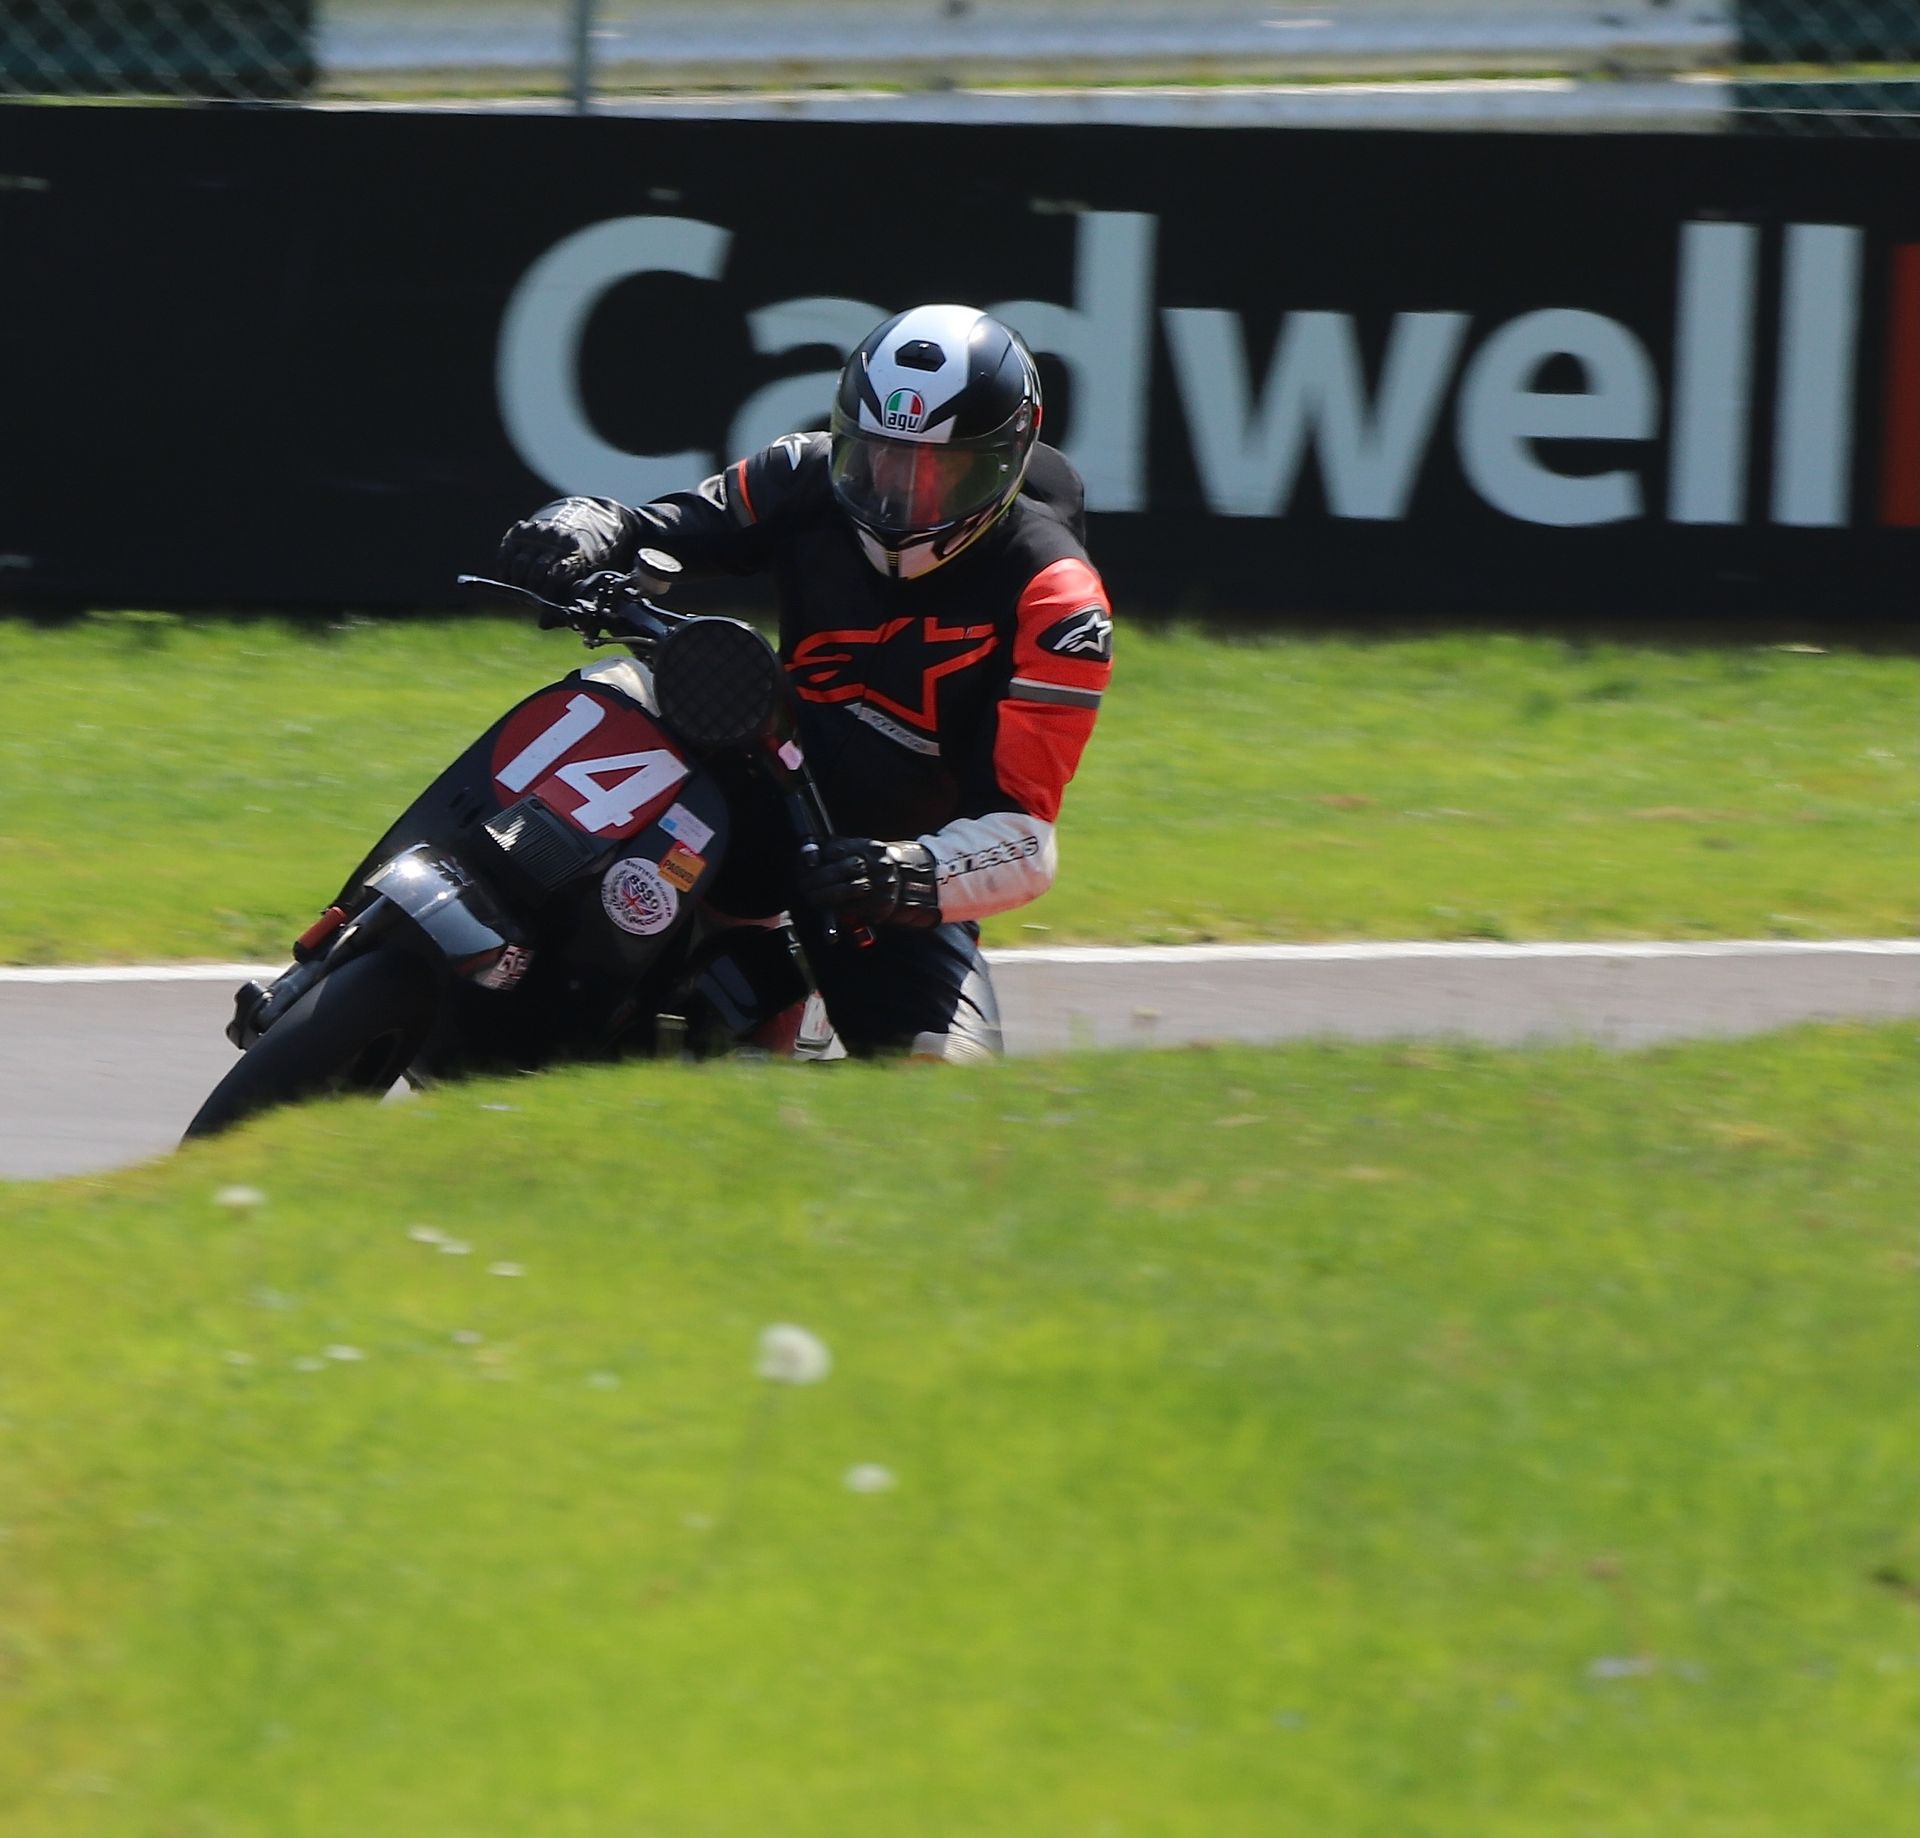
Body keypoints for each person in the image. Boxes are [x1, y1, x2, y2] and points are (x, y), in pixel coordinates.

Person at [497, 304, 1114, 1061]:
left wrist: (906, 874)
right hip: (749, 777)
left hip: (876, 870)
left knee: (944, 1075)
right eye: (879, 457)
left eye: (941, 472)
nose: (898, 493)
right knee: (618, 690)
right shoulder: (801, 473)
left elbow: (1023, 839)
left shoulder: (1060, 605)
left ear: (1007, 459)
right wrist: (583, 524)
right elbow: (657, 527)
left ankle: (792, 1016)